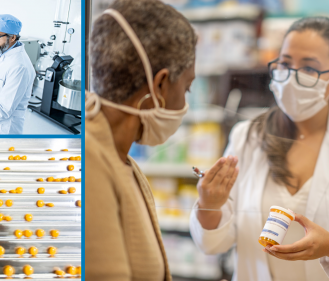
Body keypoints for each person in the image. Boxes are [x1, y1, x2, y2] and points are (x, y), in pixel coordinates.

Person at [189, 17, 329, 281]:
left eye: (309, 68)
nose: (291, 76)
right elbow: (214, 244)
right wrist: (210, 205)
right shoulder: (248, 136)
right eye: (285, 64)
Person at [84, 0, 213, 280]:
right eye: (187, 88)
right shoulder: (89, 164)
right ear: (159, 86)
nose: (184, 101)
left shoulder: (121, 159)